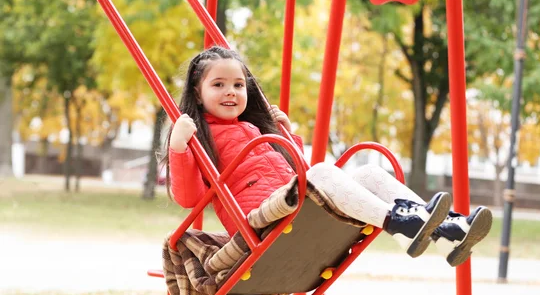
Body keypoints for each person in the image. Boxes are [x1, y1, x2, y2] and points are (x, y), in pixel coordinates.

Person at [165, 46, 492, 267]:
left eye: (238, 84)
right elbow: (189, 197)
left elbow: (301, 176)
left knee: (368, 173)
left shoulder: (254, 130)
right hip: (263, 225)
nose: (230, 92)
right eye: (218, 84)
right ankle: (401, 223)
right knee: (322, 173)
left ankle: (444, 232)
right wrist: (179, 147)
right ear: (197, 92)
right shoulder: (199, 137)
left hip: (291, 211)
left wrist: (286, 137)